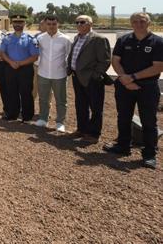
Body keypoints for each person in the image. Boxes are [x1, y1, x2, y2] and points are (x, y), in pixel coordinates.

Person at [104, 12, 163, 169]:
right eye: (135, 21)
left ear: (149, 22)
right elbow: (115, 61)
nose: (139, 24)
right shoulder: (124, 40)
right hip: (124, 85)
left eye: (142, 21)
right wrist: (125, 78)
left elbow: (158, 66)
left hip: (148, 87)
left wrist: (132, 77)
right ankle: (123, 146)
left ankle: (149, 154)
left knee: (149, 121)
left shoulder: (158, 42)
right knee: (123, 117)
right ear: (131, 23)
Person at [67, 15, 111, 143]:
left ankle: (94, 134)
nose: (79, 24)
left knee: (96, 107)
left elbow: (105, 61)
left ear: (91, 24)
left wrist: (95, 75)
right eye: (77, 22)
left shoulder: (99, 39)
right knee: (81, 105)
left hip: (92, 79)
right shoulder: (77, 37)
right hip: (76, 77)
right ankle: (82, 129)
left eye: (82, 22)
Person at [35, 15, 72, 132]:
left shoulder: (65, 39)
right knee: (43, 98)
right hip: (43, 73)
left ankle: (60, 122)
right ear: (45, 24)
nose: (51, 26)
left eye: (54, 24)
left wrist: (66, 68)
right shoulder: (40, 38)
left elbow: (69, 56)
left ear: (58, 24)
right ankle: (43, 118)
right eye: (49, 24)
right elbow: (37, 54)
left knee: (61, 100)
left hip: (59, 75)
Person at [0, 14, 39, 122]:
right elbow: (2, 53)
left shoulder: (31, 39)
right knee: (11, 91)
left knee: (26, 92)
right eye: (15, 22)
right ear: (12, 24)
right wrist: (11, 62)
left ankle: (27, 116)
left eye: (20, 22)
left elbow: (35, 56)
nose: (17, 24)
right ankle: (12, 114)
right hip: (10, 68)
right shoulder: (7, 38)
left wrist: (20, 63)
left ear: (24, 24)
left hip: (25, 69)